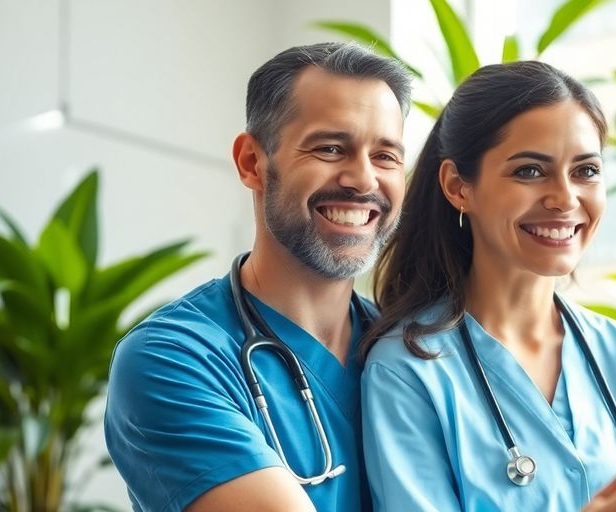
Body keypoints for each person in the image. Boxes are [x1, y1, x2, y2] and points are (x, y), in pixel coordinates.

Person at [103, 42, 412, 512]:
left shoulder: (411, 354)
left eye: (386, 156)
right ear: (252, 162)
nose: (364, 180)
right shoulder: (174, 359)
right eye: (330, 148)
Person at [360, 61, 616, 511]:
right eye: (530, 171)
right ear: (457, 187)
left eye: (586, 171)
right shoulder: (407, 372)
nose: (565, 198)